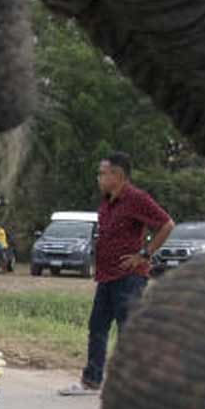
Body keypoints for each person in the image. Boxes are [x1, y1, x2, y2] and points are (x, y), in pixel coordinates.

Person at [59, 151, 174, 396]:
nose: (98, 178)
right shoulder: (106, 200)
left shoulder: (136, 198)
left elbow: (167, 224)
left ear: (118, 175)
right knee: (97, 327)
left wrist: (144, 254)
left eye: (102, 173)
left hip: (129, 278)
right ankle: (92, 381)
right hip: (106, 276)